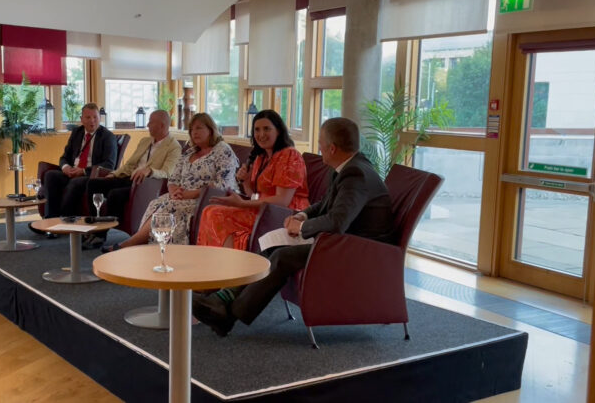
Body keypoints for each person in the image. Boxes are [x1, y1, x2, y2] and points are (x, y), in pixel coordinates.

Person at [192, 117, 394, 337]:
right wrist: (302, 215)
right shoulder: (347, 168)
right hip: (343, 240)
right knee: (271, 246)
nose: (319, 147)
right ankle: (223, 299)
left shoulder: (356, 175)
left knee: (283, 256)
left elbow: (337, 221)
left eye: (320, 143)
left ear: (332, 148)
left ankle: (228, 315)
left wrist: (302, 228)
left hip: (359, 250)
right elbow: (325, 205)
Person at [101, 113, 238, 252]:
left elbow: (223, 184)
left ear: (211, 130)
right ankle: (145, 247)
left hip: (207, 198)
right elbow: (173, 179)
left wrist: (190, 194)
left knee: (169, 207)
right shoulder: (189, 153)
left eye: (199, 128)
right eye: (191, 130)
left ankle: (130, 245)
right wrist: (174, 192)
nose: (194, 132)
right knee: (156, 203)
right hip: (181, 196)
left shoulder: (222, 150)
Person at [196, 110, 309, 250]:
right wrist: (246, 182)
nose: (261, 135)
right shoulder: (261, 157)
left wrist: (243, 204)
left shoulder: (290, 155)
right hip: (261, 209)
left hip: (285, 214)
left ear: (278, 131)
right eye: (257, 130)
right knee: (209, 211)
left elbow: (283, 201)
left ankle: (227, 267)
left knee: (216, 214)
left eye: (267, 129)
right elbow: (253, 195)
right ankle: (220, 264)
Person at [83, 109, 182, 249]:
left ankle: (100, 236)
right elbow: (130, 164)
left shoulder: (173, 147)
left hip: (145, 184)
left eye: (151, 122)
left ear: (162, 125)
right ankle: (94, 228)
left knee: (114, 195)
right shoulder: (145, 141)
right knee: (94, 184)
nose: (147, 124)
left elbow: (168, 172)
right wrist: (114, 174)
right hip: (129, 178)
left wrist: (149, 171)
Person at [30, 103, 117, 236]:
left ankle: (64, 222)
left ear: (100, 118)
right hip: (71, 172)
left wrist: (82, 171)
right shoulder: (77, 132)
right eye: (88, 117)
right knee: (51, 175)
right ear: (81, 119)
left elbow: (109, 165)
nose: (92, 121)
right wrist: (65, 167)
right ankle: (50, 222)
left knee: (75, 183)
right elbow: (64, 157)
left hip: (90, 175)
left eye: (95, 117)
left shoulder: (107, 136)